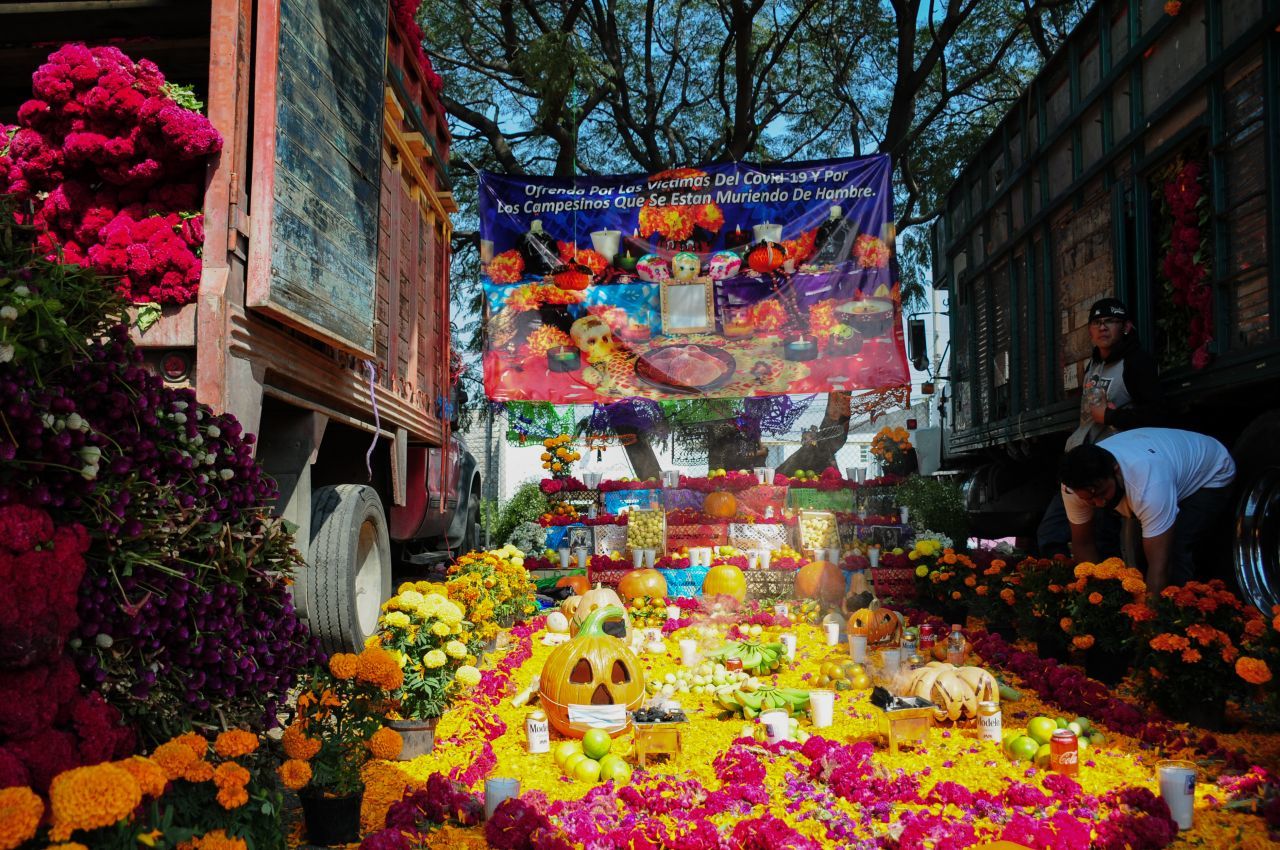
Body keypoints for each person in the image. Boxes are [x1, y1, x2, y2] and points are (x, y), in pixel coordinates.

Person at [1037, 297, 1166, 558]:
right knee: (1051, 534)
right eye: (1097, 322)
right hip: (1081, 461)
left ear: (1126, 327)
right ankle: (1060, 581)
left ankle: (1106, 584)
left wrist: (1111, 416)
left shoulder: (1136, 362)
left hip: (1110, 468)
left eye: (1111, 321)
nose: (1103, 327)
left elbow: (1157, 416)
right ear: (1090, 330)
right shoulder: (1094, 365)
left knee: (1104, 540)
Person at [1058, 428, 1235, 593]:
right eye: (1089, 499)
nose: (1099, 503)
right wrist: (1093, 597)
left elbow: (1160, 565)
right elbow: (1083, 544)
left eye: (1103, 493)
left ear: (1116, 471)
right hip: (1163, 465)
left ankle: (1184, 607)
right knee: (1107, 536)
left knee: (1175, 548)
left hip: (1209, 472)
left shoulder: (1149, 482)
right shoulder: (1072, 488)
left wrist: (1148, 612)